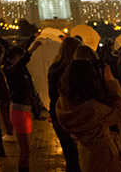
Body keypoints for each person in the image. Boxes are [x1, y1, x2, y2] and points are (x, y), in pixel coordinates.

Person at [56, 59, 121, 172]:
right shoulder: (93, 108)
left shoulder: (63, 103)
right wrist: (111, 82)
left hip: (85, 154)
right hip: (104, 157)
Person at [2, 40, 42, 172]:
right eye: (19, 56)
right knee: (25, 149)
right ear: (14, 58)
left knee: (27, 149)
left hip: (25, 111)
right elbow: (20, 64)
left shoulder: (21, 70)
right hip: (18, 111)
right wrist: (32, 50)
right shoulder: (9, 70)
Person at [47, 36, 82, 172]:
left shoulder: (54, 68)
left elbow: (52, 94)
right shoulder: (73, 70)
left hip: (58, 115)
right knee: (77, 157)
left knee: (70, 156)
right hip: (73, 115)